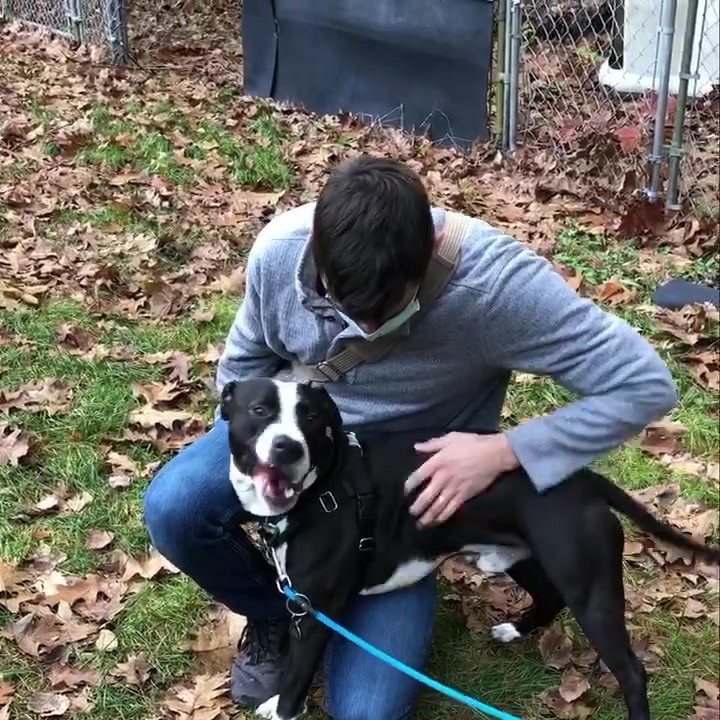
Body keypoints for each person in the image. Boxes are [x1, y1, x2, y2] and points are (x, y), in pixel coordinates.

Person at [143, 155, 678, 719]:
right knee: (176, 506)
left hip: (406, 494)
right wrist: (270, 452)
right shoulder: (280, 251)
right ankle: (280, 611)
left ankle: (360, 579)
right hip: (302, 433)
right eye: (343, 309)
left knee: (369, 713)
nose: (362, 330)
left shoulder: (496, 287)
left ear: (425, 264)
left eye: (385, 310)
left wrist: (505, 450)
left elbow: (643, 384)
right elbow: (241, 367)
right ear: (316, 258)